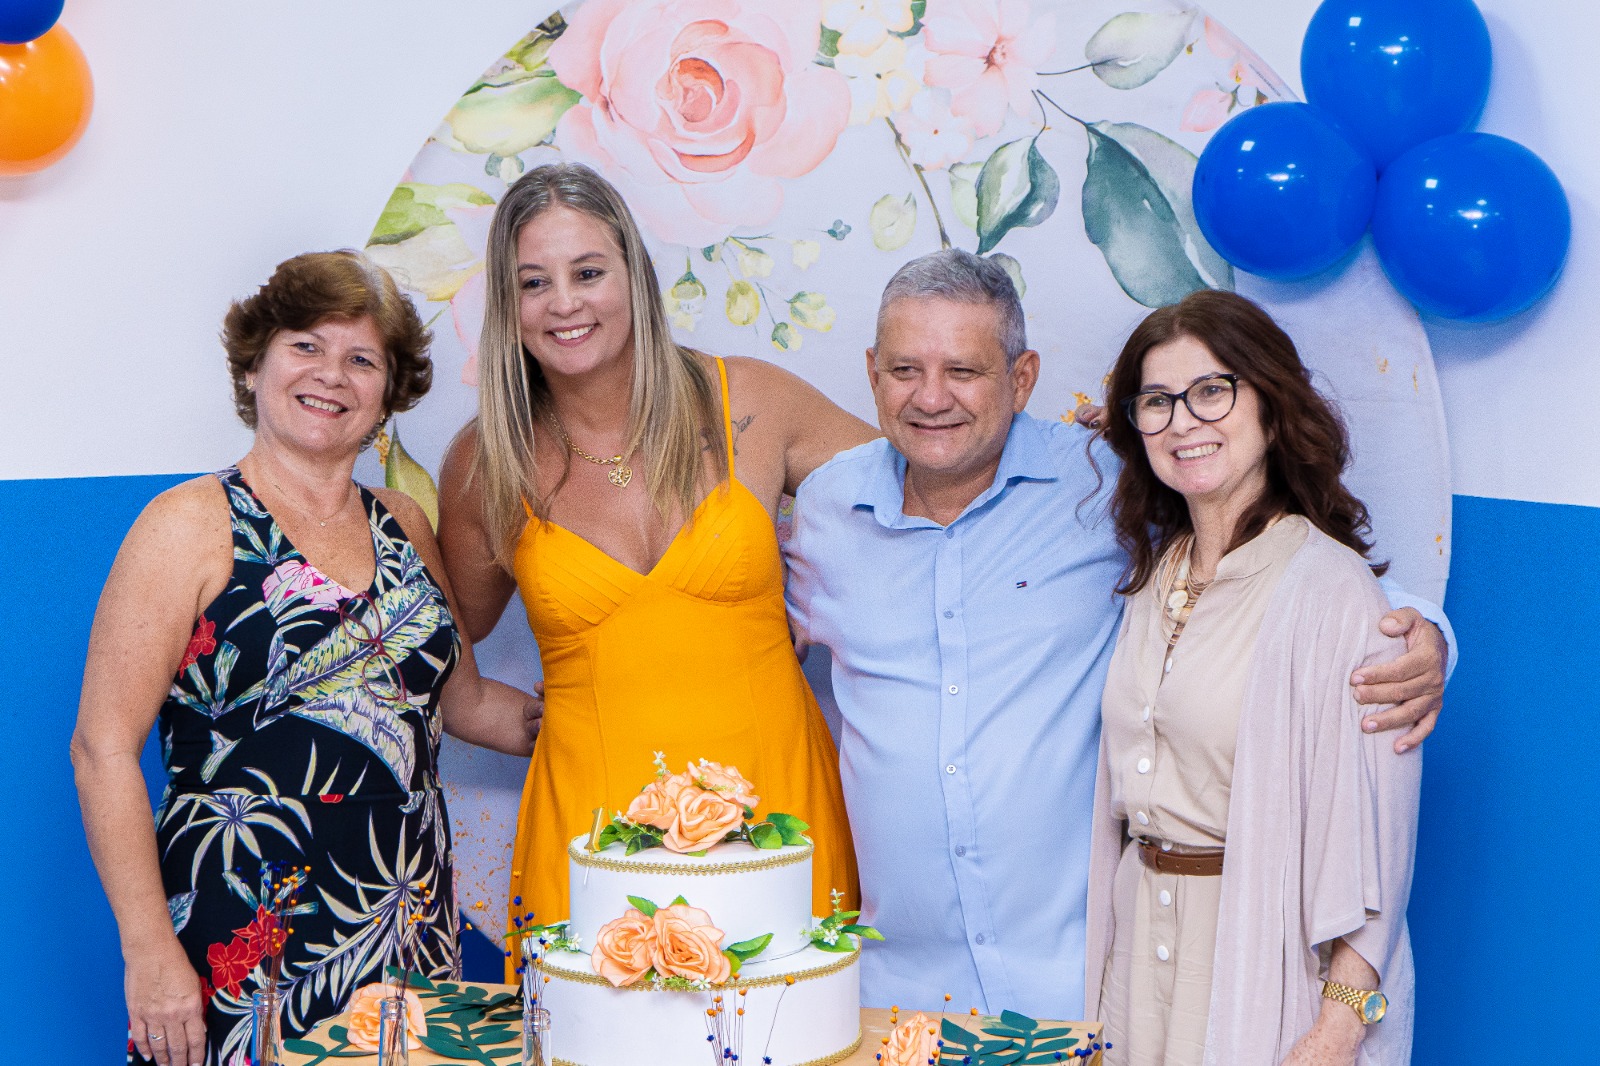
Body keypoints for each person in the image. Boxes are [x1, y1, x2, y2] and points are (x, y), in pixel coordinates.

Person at [782, 250, 1451, 1020]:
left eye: (963, 370)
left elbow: (1266, 557)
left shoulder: (1106, 479)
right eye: (905, 370)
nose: (932, 398)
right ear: (872, 373)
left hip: (1089, 980)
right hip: (893, 987)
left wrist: (1420, 631)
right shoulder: (827, 512)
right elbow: (746, 632)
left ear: (1023, 378)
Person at [71, 251, 541, 1066]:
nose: (332, 374)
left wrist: (609, 711)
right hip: (242, 926)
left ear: (388, 394)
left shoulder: (404, 521)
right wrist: (148, 953)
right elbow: (102, 749)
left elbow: (461, 703)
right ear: (254, 366)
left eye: (363, 359)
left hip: (405, 917)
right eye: (306, 346)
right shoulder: (186, 524)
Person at [435, 163, 876, 970]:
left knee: (795, 1024)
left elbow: (922, 503)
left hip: (778, 810)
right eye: (534, 282)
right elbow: (434, 634)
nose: (564, 303)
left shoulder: (752, 400)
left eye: (588, 272)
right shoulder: (486, 462)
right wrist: (484, 710)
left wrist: (822, 603)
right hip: (592, 832)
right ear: (508, 305)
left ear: (634, 274)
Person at [1084, 291, 1421, 1063]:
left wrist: (1338, 1029)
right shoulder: (1152, 576)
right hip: (1135, 953)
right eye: (1157, 401)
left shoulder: (1333, 591)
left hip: (1260, 958)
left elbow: (1385, 845)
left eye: (1212, 390)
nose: (1183, 421)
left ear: (1271, 408)